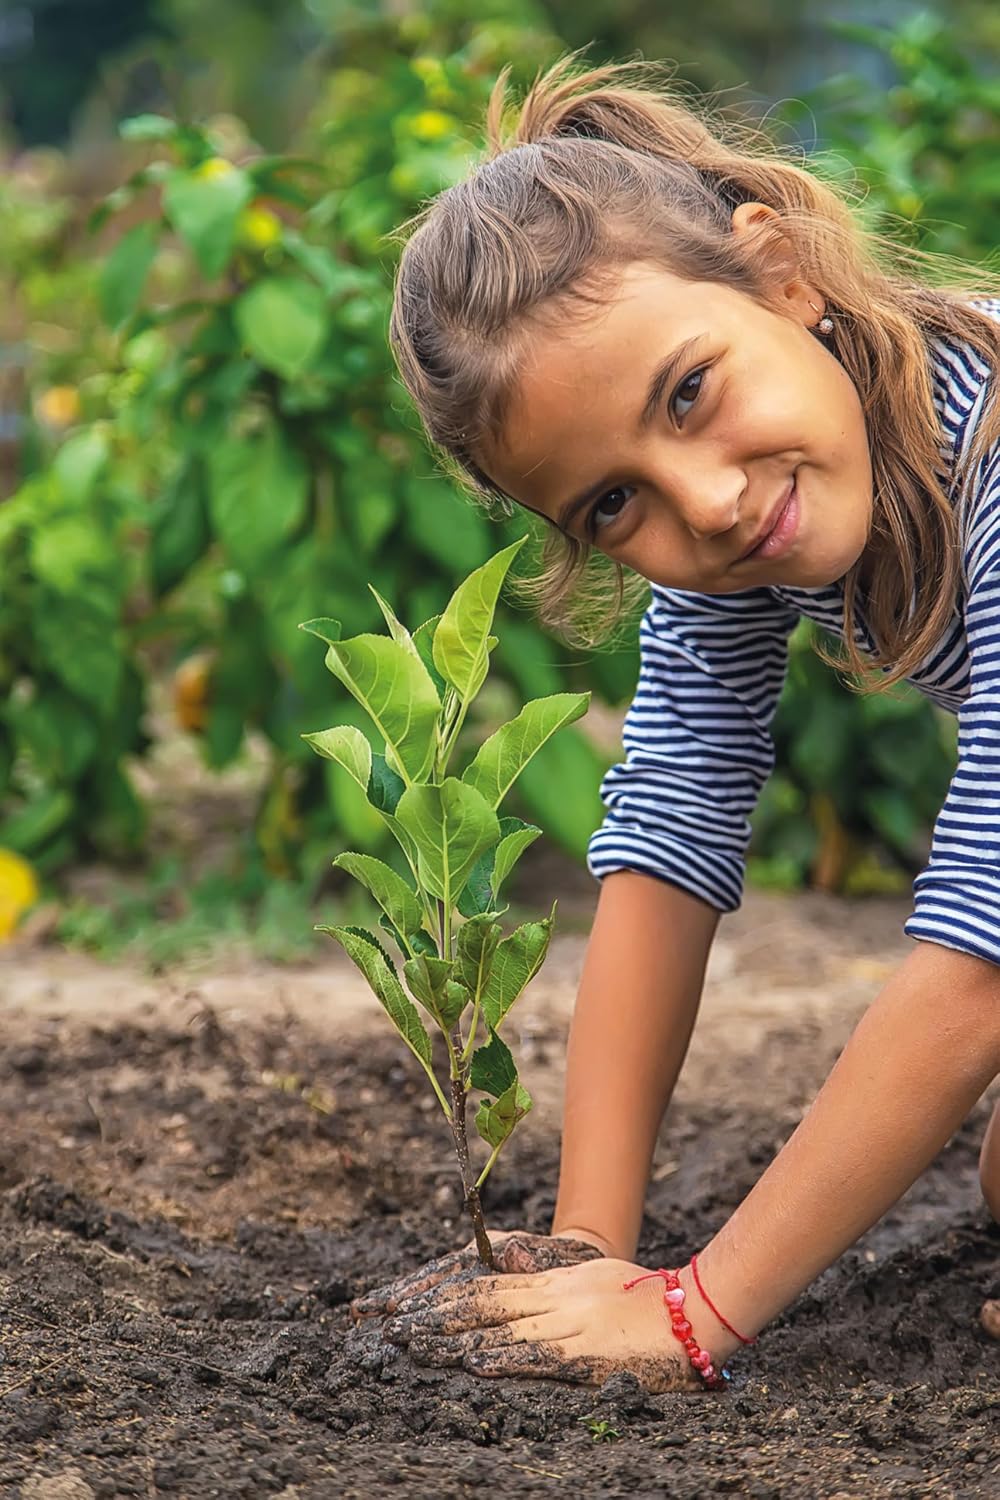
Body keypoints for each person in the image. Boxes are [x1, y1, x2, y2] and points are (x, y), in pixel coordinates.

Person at [355, 54, 1000, 1390]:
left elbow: (980, 960)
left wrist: (693, 1312)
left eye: (688, 395)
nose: (699, 501)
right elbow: (667, 834)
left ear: (783, 280)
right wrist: (592, 1244)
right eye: (610, 505)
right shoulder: (761, 509)